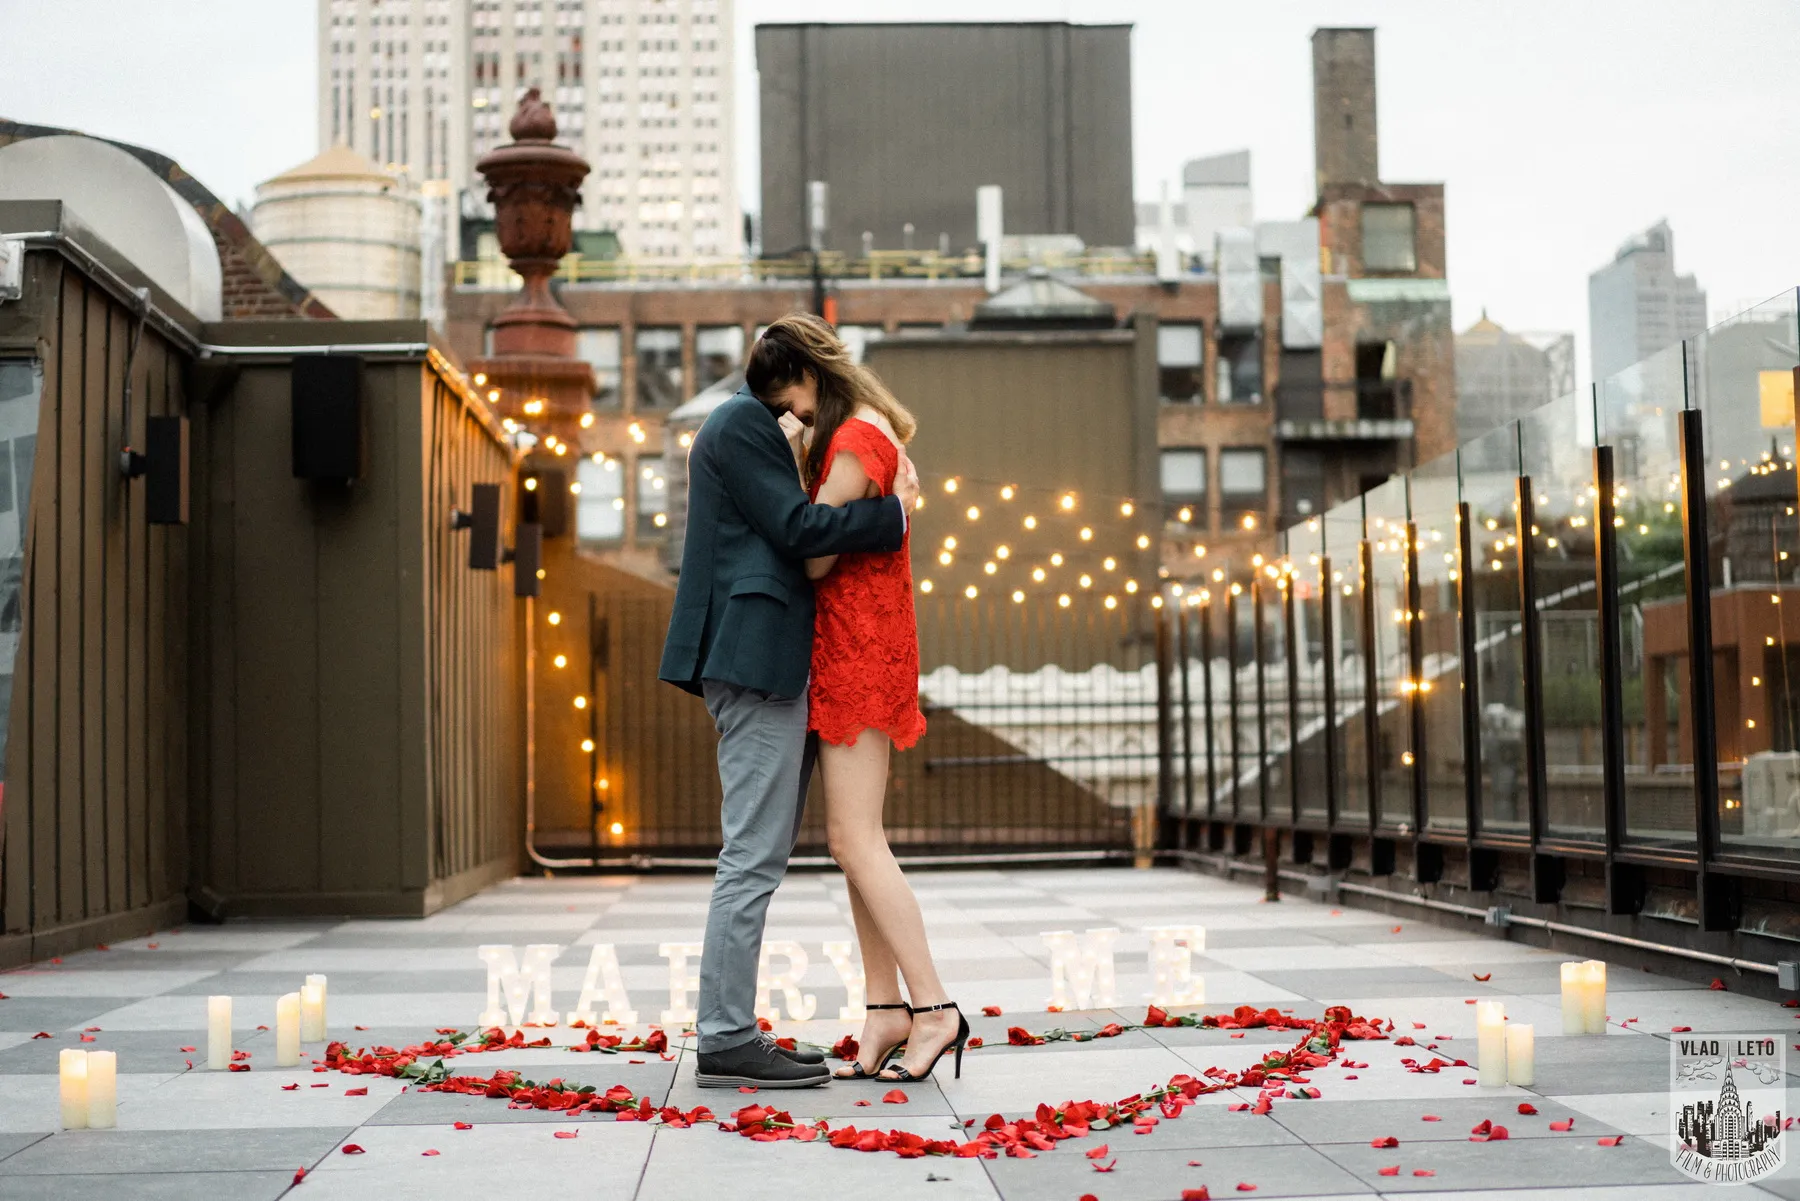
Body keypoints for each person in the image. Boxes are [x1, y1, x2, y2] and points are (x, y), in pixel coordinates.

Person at [658, 316, 920, 1090]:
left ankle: (735, 1029)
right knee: (752, 853)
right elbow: (801, 532)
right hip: (754, 662)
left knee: (763, 851)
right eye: (794, 406)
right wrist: (895, 516)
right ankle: (727, 1035)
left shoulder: (749, 424)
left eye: (799, 406)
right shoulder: (741, 425)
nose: (799, 419)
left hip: (768, 661)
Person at [776, 315, 969, 1084]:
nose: (789, 418)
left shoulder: (852, 440)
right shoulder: (874, 425)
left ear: (813, 376)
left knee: (856, 839)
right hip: (867, 644)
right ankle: (885, 1009)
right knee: (855, 839)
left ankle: (933, 1009)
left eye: (790, 401)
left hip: (856, 648)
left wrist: (797, 462)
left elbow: (816, 555)